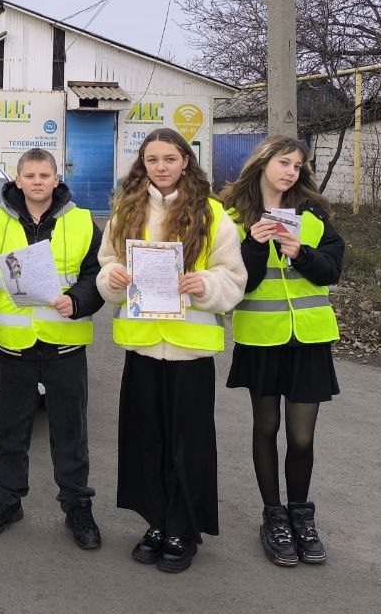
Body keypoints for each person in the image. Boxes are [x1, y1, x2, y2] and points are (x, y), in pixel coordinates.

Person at [96, 128, 245, 573]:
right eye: (152, 159)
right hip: (142, 347)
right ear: (143, 164)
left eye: (169, 158)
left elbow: (232, 277)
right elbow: (107, 264)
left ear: (185, 161)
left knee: (188, 445)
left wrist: (205, 285)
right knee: (147, 442)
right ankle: (157, 522)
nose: (160, 166)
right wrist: (115, 279)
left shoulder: (212, 213)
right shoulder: (126, 210)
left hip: (190, 351)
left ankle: (184, 527)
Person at [219, 135, 344, 567]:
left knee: (302, 435)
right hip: (262, 339)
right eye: (284, 162)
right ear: (263, 163)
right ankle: (274, 517)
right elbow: (239, 285)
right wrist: (254, 245)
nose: (291, 171)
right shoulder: (232, 218)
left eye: (297, 165)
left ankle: (301, 516)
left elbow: (332, 272)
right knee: (266, 426)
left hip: (309, 338)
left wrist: (301, 253)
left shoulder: (312, 215)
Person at [0, 148, 105, 549]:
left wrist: (80, 299)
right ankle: (7, 500)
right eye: (29, 175)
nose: (36, 182)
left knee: (70, 431)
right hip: (13, 346)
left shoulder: (82, 221)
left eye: (43, 175)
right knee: (9, 432)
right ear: (17, 180)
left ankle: (77, 506)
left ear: (55, 178)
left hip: (64, 345)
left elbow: (97, 274)